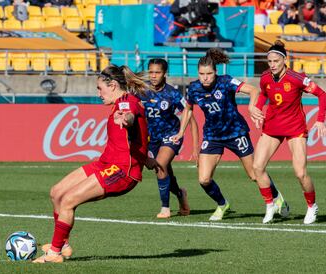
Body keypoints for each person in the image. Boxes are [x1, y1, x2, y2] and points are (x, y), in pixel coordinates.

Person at [33, 65, 160, 263]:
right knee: (56, 192)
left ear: (113, 85)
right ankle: (62, 243)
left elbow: (130, 116)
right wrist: (147, 158)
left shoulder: (126, 102)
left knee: (67, 201)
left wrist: (126, 119)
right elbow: (137, 136)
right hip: (105, 163)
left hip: (121, 171)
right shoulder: (120, 103)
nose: (98, 93)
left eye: (100, 88)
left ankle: (54, 253)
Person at [172, 48, 288, 221]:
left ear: (215, 72)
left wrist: (251, 107)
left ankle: (276, 195)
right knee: (204, 179)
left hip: (236, 132)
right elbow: (188, 109)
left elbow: (254, 91)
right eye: (202, 73)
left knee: (254, 175)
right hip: (212, 136)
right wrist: (181, 131)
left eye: (209, 73)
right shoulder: (194, 88)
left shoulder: (226, 81)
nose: (205, 77)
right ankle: (222, 204)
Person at [252, 40, 326, 224]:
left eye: (276, 61)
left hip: (295, 129)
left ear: (284, 60)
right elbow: (263, 93)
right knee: (257, 167)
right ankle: (271, 205)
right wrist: (257, 108)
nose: (272, 65)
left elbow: (322, 94)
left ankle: (311, 206)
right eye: (269, 61)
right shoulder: (265, 77)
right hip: (272, 127)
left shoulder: (297, 78)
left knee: (300, 173)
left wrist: (320, 120)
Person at [138, 58, 199, 218]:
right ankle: (180, 194)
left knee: (160, 165)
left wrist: (195, 148)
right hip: (152, 139)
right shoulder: (141, 92)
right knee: (162, 171)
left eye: (157, 72)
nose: (153, 76)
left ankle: (165, 208)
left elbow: (191, 117)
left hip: (171, 136)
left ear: (165, 73)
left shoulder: (172, 94)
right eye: (151, 72)